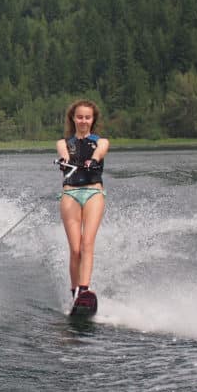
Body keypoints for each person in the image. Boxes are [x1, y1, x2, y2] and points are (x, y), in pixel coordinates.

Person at [56, 99, 109, 302]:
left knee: (87, 243)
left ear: (93, 119)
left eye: (87, 117)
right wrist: (65, 163)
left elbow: (100, 151)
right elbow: (64, 155)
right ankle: (75, 293)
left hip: (93, 192)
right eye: (80, 117)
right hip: (70, 193)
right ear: (73, 118)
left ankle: (84, 290)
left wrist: (93, 161)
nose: (83, 121)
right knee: (75, 249)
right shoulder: (64, 143)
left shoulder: (101, 141)